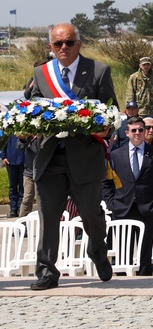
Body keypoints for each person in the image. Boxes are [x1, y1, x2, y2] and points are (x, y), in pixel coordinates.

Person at [27, 22, 117, 290]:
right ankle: (47, 271)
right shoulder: (41, 73)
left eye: (68, 42)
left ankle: (98, 250)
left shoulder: (99, 70)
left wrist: (105, 125)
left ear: (79, 43)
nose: (63, 48)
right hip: (50, 155)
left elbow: (111, 110)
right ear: (50, 47)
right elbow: (32, 108)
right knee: (49, 215)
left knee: (91, 213)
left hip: (84, 155)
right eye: (58, 44)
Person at [103, 116, 153, 275]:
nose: (138, 133)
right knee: (122, 250)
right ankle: (122, 280)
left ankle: (145, 281)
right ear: (127, 132)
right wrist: (111, 203)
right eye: (134, 130)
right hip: (122, 208)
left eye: (141, 129)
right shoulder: (115, 155)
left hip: (147, 208)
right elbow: (106, 182)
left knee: (145, 251)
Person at [2, 133, 26, 218]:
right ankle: (13, 209)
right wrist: (3, 156)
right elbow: (3, 142)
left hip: (24, 161)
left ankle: (20, 208)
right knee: (13, 186)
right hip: (11, 160)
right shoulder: (9, 128)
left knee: (22, 187)